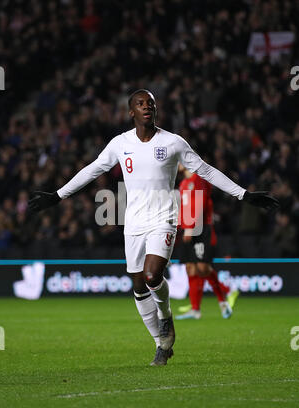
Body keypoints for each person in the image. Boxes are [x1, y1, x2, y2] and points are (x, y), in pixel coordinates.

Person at [28, 89, 279, 366]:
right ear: (130, 112)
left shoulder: (173, 142)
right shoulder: (120, 143)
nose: (146, 106)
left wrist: (243, 194)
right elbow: (92, 170)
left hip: (164, 218)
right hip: (133, 223)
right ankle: (161, 344)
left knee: (151, 276)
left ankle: (165, 315)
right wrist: (58, 195)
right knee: (138, 286)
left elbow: (205, 170)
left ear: (156, 110)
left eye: (151, 103)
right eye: (140, 103)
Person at [175, 166, 239, 321]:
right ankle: (195, 310)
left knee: (203, 267)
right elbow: (183, 209)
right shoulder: (184, 184)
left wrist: (190, 227)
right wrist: (178, 226)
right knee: (190, 268)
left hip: (201, 229)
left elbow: (201, 203)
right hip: (188, 229)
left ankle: (226, 294)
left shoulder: (199, 179)